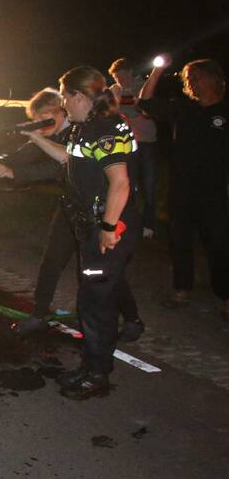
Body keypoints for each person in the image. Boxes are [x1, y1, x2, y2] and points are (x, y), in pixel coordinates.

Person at [0, 89, 144, 341]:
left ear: (63, 108)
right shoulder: (63, 132)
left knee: (99, 272)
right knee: (52, 261)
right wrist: (2, 163)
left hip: (95, 210)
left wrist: (17, 172)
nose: (44, 122)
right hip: (71, 207)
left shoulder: (84, 128)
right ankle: (38, 315)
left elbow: (61, 163)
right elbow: (32, 154)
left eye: (47, 116)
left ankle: (129, 321)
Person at [21, 66, 141, 400]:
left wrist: (107, 228)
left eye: (65, 98)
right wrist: (37, 138)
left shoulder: (103, 129)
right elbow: (68, 159)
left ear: (79, 96)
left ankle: (98, 374)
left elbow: (120, 182)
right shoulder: (85, 128)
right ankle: (92, 365)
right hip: (90, 226)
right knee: (92, 297)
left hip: (107, 226)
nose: (63, 106)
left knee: (96, 303)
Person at [138, 58, 228, 321]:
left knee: (219, 245)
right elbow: (145, 105)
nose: (191, 83)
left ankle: (226, 296)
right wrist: (157, 71)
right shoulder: (183, 108)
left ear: (214, 78)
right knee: (180, 242)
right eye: (188, 79)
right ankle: (182, 290)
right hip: (182, 190)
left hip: (214, 191)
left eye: (196, 77)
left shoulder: (225, 110)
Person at [109, 58, 159, 238]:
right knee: (126, 183)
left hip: (147, 142)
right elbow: (113, 110)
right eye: (115, 77)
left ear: (130, 72)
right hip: (127, 144)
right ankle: (127, 221)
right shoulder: (114, 90)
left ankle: (149, 224)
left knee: (149, 185)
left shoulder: (144, 86)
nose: (119, 80)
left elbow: (138, 109)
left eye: (121, 75)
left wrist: (130, 108)